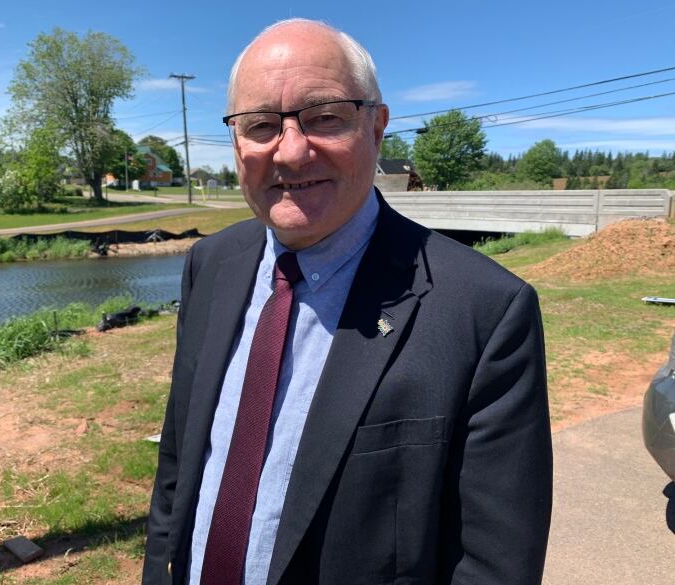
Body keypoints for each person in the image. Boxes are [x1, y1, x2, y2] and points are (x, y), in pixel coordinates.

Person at [142, 18, 552, 585]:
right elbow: (182, 456)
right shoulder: (210, 265)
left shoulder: (485, 313)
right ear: (236, 140)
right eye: (260, 125)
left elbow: (495, 564)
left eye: (324, 117)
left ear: (377, 127)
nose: (289, 152)